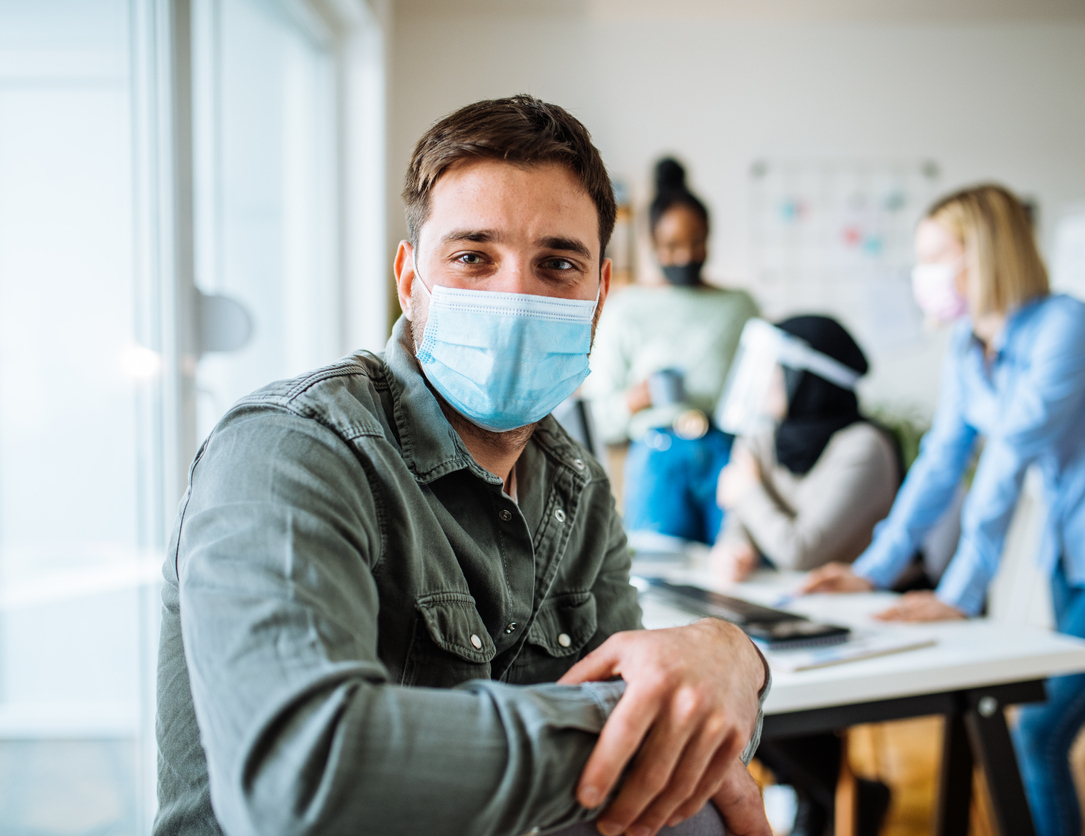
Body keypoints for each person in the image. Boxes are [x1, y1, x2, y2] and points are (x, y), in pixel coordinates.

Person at [153, 95, 772, 836]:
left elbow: (681, 723)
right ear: (411, 279)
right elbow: (303, 779)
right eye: (473, 257)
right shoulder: (290, 451)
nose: (514, 296)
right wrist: (650, 711)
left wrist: (738, 659)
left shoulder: (577, 488)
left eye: (557, 264)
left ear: (599, 294)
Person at [798, 184, 1085, 836]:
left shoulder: (1069, 329)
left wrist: (960, 594)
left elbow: (1006, 461)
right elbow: (940, 463)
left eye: (934, 257)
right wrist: (874, 569)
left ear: (983, 253)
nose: (921, 276)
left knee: (1039, 732)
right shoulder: (967, 346)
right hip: (1072, 555)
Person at [584, 158, 758, 545]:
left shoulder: (740, 306)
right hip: (657, 456)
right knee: (659, 575)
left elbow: (763, 394)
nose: (685, 256)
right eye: (672, 246)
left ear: (710, 237)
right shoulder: (627, 308)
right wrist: (638, 397)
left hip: (726, 452)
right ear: (654, 246)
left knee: (737, 563)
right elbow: (600, 415)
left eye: (696, 243)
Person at [709, 315, 901, 584]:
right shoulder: (762, 437)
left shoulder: (864, 448)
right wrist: (734, 550)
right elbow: (739, 522)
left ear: (804, 379)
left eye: (773, 367)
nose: (760, 381)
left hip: (851, 604)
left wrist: (746, 491)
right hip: (784, 598)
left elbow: (800, 555)